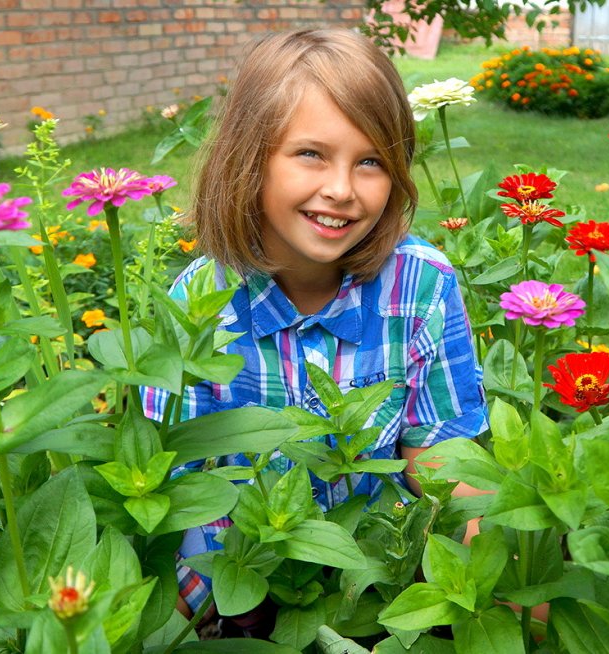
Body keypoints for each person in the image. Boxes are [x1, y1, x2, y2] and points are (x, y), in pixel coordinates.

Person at [141, 28, 489, 620]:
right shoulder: (199, 300)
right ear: (251, 158)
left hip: (377, 581)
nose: (341, 190)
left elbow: (439, 447)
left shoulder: (421, 285)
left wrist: (495, 565)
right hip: (237, 578)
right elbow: (171, 475)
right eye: (311, 154)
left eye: (372, 161)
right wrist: (196, 609)